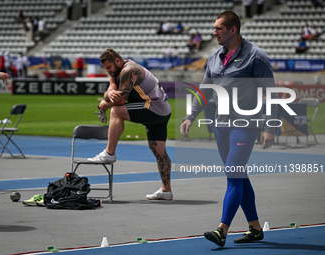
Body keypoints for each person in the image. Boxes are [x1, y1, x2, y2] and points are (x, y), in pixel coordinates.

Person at [180, 11, 278, 247]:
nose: (214, 33)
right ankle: (255, 228)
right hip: (221, 125)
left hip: (245, 125)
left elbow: (270, 93)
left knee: (233, 177)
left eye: (218, 28)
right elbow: (204, 89)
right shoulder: (214, 56)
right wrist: (190, 116)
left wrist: (270, 126)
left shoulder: (256, 56)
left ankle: (222, 230)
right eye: (214, 28)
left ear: (233, 29)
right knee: (239, 176)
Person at [88, 48, 173, 200]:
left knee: (116, 111)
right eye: (106, 68)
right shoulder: (116, 71)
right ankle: (166, 191)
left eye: (109, 67)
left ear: (117, 61)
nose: (108, 71)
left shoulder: (129, 70)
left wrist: (105, 103)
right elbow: (111, 88)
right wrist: (109, 94)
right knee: (158, 150)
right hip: (162, 110)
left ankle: (109, 153)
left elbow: (120, 101)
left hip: (153, 107)